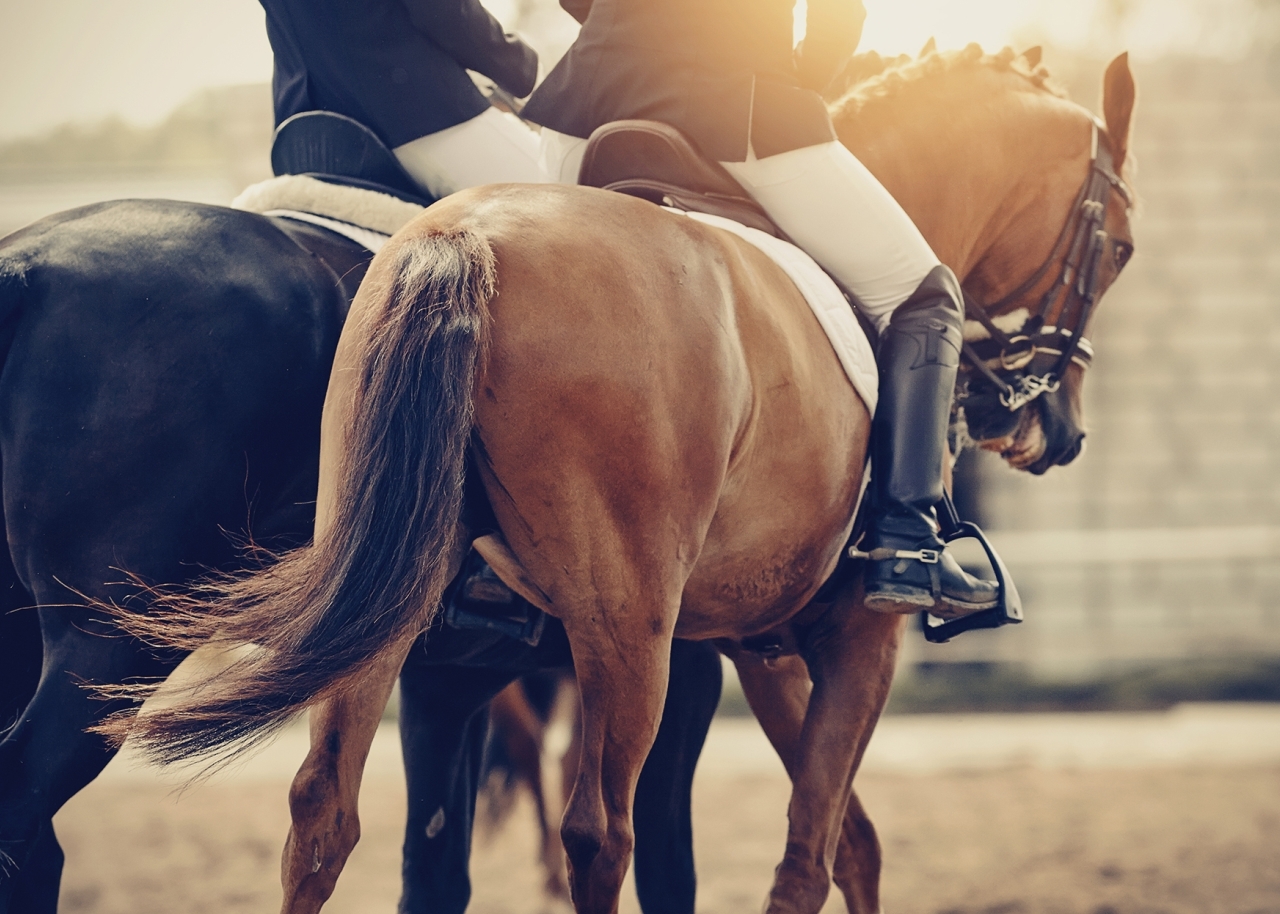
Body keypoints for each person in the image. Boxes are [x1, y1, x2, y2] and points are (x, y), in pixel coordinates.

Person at [521, 0, 998, 617]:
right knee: (925, 294)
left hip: (582, 111)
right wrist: (801, 86)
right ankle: (906, 540)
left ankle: (482, 541)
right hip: (739, 109)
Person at [260, 0, 547, 199]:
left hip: (305, 137)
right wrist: (524, 70)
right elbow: (447, 14)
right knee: (562, 196)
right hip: (412, 112)